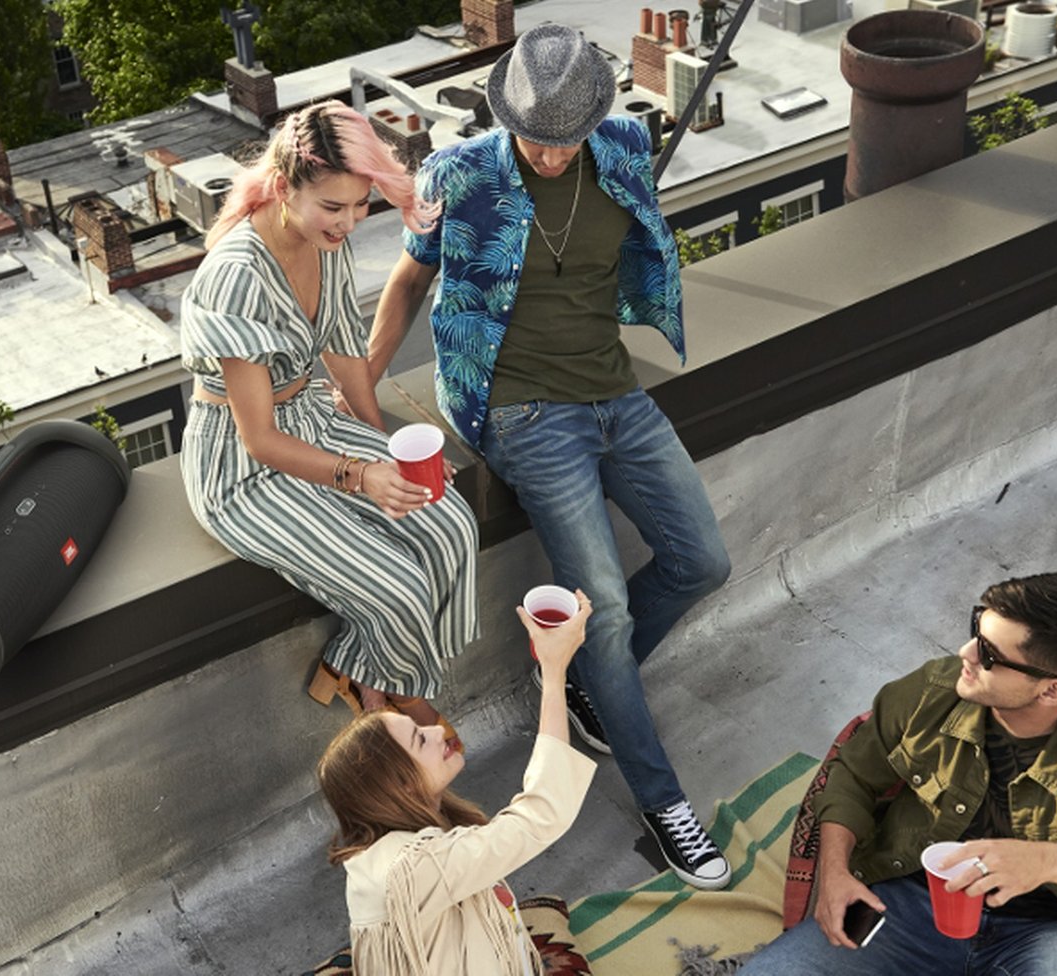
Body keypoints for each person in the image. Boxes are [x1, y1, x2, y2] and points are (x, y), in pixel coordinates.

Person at [369, 23, 732, 887]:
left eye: (566, 139)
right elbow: (410, 279)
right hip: (522, 410)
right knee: (601, 611)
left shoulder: (624, 148)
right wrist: (361, 388)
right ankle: (664, 804)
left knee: (703, 561)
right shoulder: (458, 174)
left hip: (615, 392)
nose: (551, 154)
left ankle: (589, 686)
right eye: (536, 137)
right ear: (507, 116)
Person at [179, 100, 480, 744]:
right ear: (285, 188)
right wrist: (364, 475)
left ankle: (358, 666)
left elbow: (346, 356)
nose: (348, 222)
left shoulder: (323, 242)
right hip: (242, 468)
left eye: (361, 204)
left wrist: (387, 449)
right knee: (397, 585)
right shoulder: (236, 276)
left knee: (450, 522)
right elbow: (260, 440)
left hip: (315, 423)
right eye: (333, 206)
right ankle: (400, 701)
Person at [743, 573, 1057, 976]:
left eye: (990, 655)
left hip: (1056, 931)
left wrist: (1044, 862)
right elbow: (853, 776)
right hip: (913, 906)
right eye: (976, 629)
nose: (965, 653)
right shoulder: (933, 691)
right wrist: (835, 874)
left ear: (1052, 690)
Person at [318, 590, 596, 974]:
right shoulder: (412, 870)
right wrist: (554, 671)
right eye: (419, 739)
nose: (436, 730)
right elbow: (543, 814)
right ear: (400, 785)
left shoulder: (405, 847)